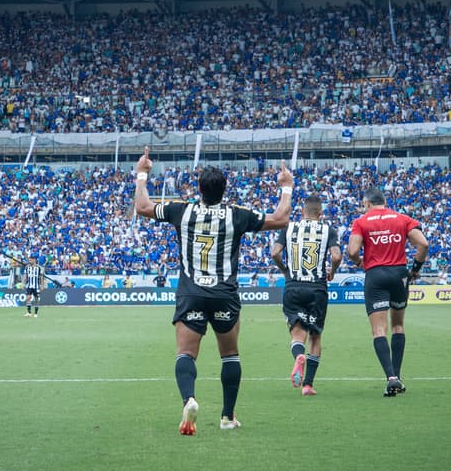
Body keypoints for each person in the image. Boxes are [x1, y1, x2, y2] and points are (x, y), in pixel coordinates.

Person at [133, 147, 293, 435]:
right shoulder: (238, 215)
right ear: (225, 189)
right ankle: (227, 417)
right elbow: (280, 219)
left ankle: (189, 399)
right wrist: (286, 187)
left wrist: (142, 174)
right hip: (225, 293)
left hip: (191, 291)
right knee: (230, 354)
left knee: (185, 353)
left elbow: (143, 208)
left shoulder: (181, 210)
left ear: (199, 189)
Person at [346, 188, 428, 397]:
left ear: (367, 203)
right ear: (384, 201)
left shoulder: (361, 221)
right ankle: (397, 377)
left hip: (376, 275)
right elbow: (423, 243)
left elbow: (352, 251)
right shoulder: (402, 218)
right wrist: (415, 269)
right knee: (398, 325)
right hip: (399, 273)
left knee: (378, 330)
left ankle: (390, 377)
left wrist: (360, 263)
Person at [271, 195, 342, 397]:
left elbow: (275, 252)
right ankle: (308, 385)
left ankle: (298, 356)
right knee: (316, 336)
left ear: (302, 212)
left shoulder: (289, 228)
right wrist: (333, 271)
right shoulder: (328, 230)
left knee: (297, 334)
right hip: (317, 288)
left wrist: (285, 270)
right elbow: (336, 256)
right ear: (320, 214)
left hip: (294, 286)